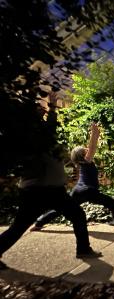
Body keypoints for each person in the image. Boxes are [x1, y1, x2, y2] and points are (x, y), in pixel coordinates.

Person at [0, 103, 101, 269]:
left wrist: (53, 109)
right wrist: (52, 110)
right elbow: (48, 129)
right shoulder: (30, 138)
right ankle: (83, 249)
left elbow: (49, 129)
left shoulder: (39, 137)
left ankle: (83, 249)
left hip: (52, 189)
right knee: (19, 226)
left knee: (77, 215)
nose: (42, 113)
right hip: (38, 190)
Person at [30, 123, 114, 232]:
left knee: (62, 208)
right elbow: (93, 146)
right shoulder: (86, 161)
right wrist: (94, 133)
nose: (87, 149)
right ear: (84, 153)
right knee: (113, 203)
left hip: (80, 191)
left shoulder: (83, 163)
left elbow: (92, 146)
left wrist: (96, 133)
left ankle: (39, 223)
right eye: (85, 149)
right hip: (88, 191)